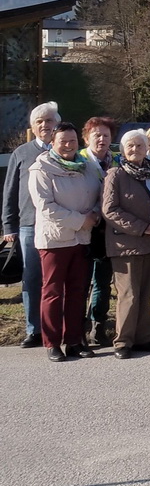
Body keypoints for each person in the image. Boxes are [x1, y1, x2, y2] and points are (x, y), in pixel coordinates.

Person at [28, 120, 104, 361]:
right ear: (53, 142)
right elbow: (46, 207)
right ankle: (52, 342)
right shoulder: (41, 169)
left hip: (82, 239)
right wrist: (80, 220)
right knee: (52, 292)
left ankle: (74, 340)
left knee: (77, 291)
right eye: (63, 141)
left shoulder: (87, 166)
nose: (69, 145)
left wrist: (94, 214)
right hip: (55, 241)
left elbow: (100, 193)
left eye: (72, 141)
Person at [101, 129, 150, 358]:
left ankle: (143, 338)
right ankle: (123, 341)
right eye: (130, 146)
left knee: (146, 293)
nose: (135, 150)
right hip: (126, 244)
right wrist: (143, 227)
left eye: (139, 145)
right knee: (129, 294)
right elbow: (110, 210)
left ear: (146, 148)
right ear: (123, 150)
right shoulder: (116, 174)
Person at [3, 101, 61, 348]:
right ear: (33, 127)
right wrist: (9, 227)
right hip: (29, 225)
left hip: (59, 226)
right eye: (40, 122)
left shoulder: (66, 151)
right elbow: (10, 192)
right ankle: (34, 329)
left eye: (49, 121)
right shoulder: (21, 153)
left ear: (57, 124)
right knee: (31, 278)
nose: (45, 126)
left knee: (57, 279)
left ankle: (58, 328)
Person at [79, 116, 119, 347]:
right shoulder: (79, 161)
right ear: (87, 139)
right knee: (82, 282)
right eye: (97, 135)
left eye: (106, 135)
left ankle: (98, 326)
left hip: (107, 231)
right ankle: (78, 328)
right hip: (84, 227)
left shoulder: (117, 161)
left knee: (103, 282)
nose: (102, 139)